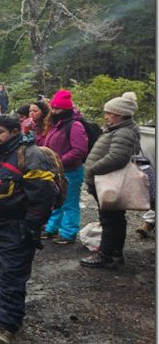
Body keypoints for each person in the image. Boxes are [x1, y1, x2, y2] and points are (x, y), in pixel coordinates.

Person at [0, 114, 56, 344]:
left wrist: (32, 225)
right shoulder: (0, 154)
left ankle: (5, 326)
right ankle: (4, 312)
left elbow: (43, 194)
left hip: (17, 227)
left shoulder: (31, 155)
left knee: (12, 275)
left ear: (15, 132)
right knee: (2, 272)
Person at [81, 92, 141, 269]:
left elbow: (118, 157)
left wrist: (93, 169)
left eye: (109, 113)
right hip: (104, 181)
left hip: (107, 182)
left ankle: (107, 255)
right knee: (112, 218)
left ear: (119, 114)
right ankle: (113, 253)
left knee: (111, 219)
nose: (106, 116)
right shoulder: (119, 129)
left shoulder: (123, 132)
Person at [40, 90, 89, 245]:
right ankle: (52, 228)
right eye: (53, 108)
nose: (54, 111)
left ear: (66, 109)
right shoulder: (56, 125)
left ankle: (68, 233)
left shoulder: (75, 125)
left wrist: (58, 162)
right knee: (57, 201)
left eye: (58, 108)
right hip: (56, 172)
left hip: (71, 171)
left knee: (69, 203)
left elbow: (79, 150)